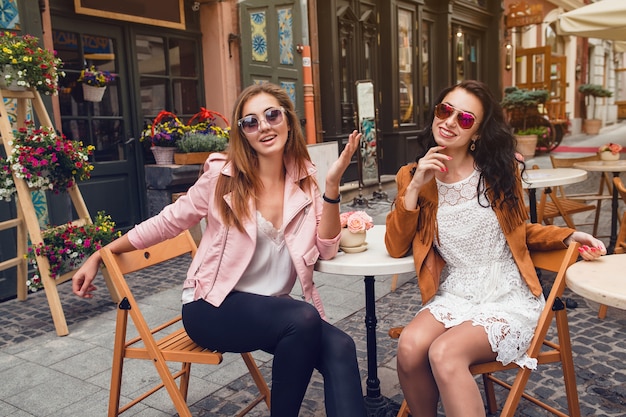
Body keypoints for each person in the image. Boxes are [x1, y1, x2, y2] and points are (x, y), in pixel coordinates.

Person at [73, 82, 367, 417]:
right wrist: (100, 253)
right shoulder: (221, 178)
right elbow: (168, 221)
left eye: (272, 115)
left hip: (272, 311)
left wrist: (331, 188)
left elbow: (327, 250)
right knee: (303, 318)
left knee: (341, 347)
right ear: (242, 133)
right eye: (251, 122)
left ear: (288, 120)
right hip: (211, 306)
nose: (264, 126)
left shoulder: (305, 183)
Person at [384, 80, 606, 417]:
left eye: (465, 119)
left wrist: (567, 237)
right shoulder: (411, 176)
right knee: (410, 346)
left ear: (476, 133)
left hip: (506, 293)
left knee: (444, 353)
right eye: (445, 110)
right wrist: (415, 187)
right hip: (455, 291)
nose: (450, 121)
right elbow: (396, 246)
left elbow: (519, 231)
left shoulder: (498, 172)